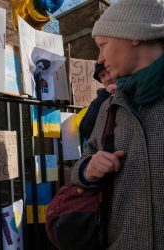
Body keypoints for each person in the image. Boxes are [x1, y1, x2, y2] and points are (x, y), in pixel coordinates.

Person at [71, 0, 164, 249]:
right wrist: (89, 169)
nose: (100, 57)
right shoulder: (110, 106)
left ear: (133, 35)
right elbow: (82, 164)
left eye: (103, 45)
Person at [79, 63, 116, 141]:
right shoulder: (99, 101)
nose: (107, 78)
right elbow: (85, 131)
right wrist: (106, 95)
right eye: (102, 76)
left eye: (109, 71)